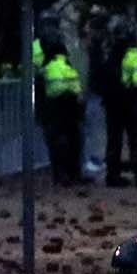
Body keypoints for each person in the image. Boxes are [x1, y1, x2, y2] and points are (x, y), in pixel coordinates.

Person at [98, 18, 137, 188]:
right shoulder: (133, 55)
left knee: (114, 140)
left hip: (111, 104)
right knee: (135, 139)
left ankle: (113, 175)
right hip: (129, 102)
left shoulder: (109, 53)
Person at [38, 28, 85, 185]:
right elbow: (76, 89)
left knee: (58, 143)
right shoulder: (65, 64)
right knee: (71, 141)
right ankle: (71, 174)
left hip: (54, 109)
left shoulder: (46, 66)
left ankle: (62, 175)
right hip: (68, 109)